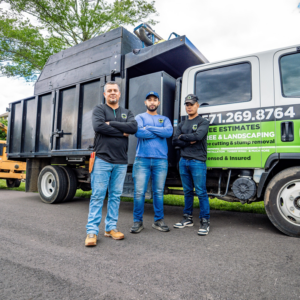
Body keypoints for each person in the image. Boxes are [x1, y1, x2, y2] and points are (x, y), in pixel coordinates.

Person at [85, 81, 138, 246]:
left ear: (119, 94)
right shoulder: (99, 109)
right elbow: (98, 127)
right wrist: (122, 131)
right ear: (105, 94)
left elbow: (133, 128)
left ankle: (110, 228)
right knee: (98, 196)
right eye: (109, 91)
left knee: (115, 196)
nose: (113, 93)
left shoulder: (126, 112)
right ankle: (92, 232)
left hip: (121, 161)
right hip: (102, 159)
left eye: (115, 90)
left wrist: (113, 124)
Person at [130, 91, 173, 233]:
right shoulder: (139, 117)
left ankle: (158, 221)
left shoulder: (164, 119)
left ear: (158, 103)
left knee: (158, 192)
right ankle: (138, 222)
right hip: (142, 159)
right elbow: (138, 132)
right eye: (149, 100)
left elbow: (168, 133)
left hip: (161, 160)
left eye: (155, 100)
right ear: (145, 103)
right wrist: (158, 131)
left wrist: (148, 128)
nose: (152, 102)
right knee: (139, 192)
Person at [172, 94, 210, 235]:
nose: (189, 107)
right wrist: (188, 139)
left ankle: (205, 221)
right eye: (187, 105)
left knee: (201, 192)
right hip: (183, 161)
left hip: (198, 161)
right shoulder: (182, 124)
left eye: (191, 104)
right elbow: (175, 141)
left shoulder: (203, 122)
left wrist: (183, 137)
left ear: (197, 105)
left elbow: (198, 137)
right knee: (187, 192)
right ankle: (187, 218)